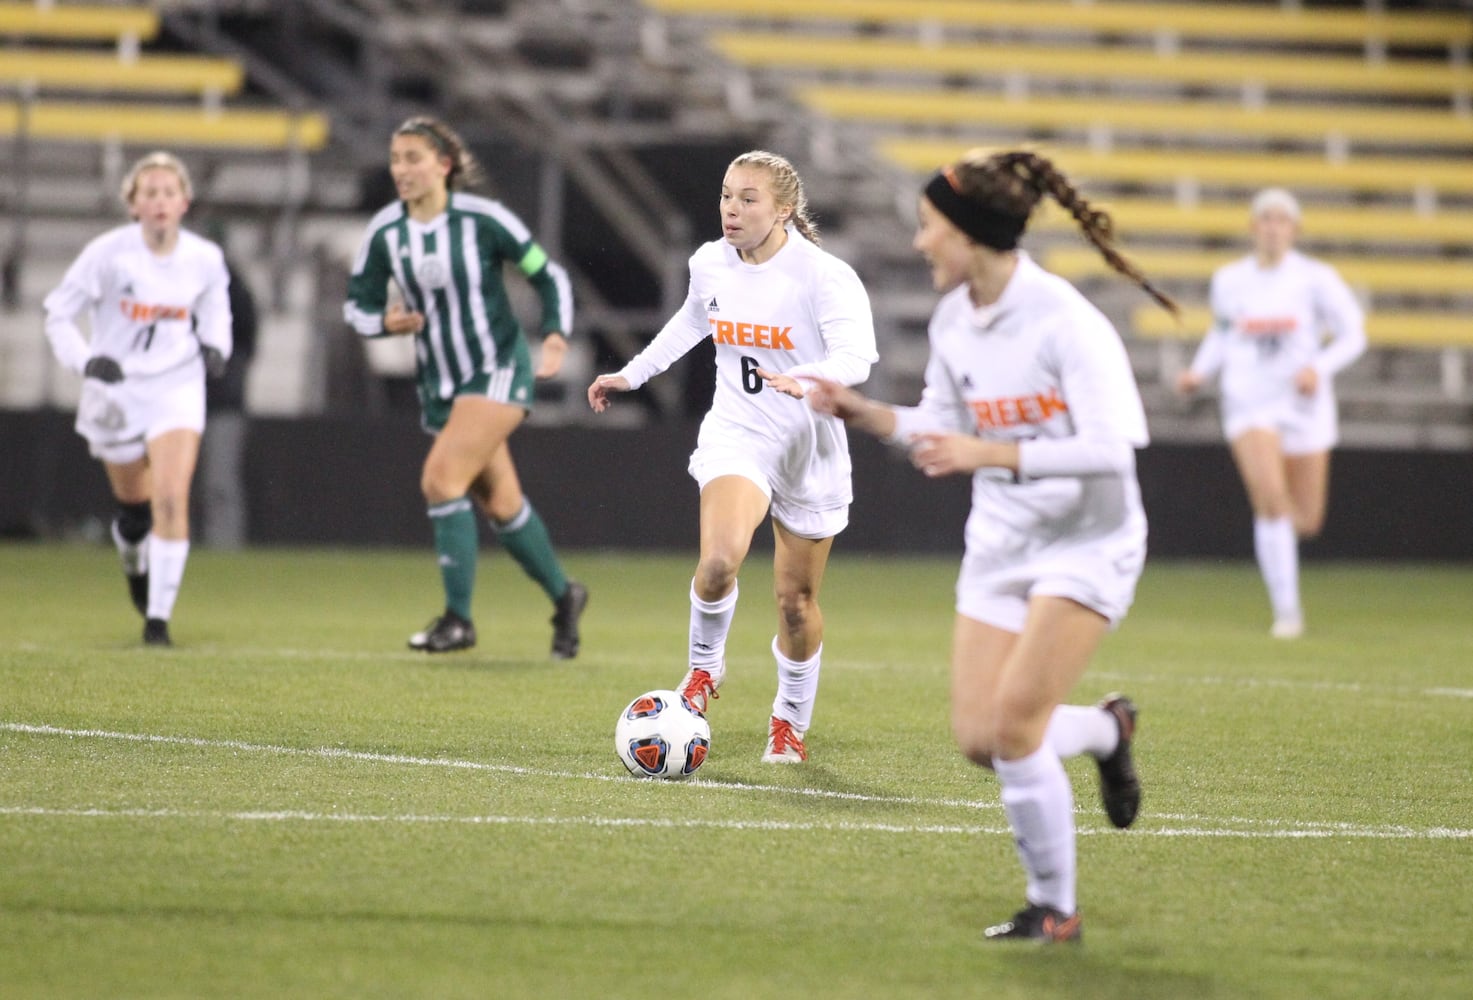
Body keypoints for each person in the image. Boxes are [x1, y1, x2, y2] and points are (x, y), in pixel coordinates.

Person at [807, 150, 1175, 942]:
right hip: (1003, 545)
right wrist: (865, 413)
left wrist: (991, 454)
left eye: (928, 227)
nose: (917, 243)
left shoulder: (1065, 321)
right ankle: (1108, 731)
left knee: (1015, 731)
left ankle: (1055, 909)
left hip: (1086, 543)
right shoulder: (954, 320)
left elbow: (1113, 447)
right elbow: (941, 427)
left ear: (971, 236)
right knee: (982, 740)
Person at [587, 149, 878, 763]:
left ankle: (788, 721)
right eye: (726, 195)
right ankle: (702, 671)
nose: (732, 209)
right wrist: (632, 375)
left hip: (808, 447)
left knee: (795, 605)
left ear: (784, 211)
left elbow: (858, 357)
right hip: (739, 433)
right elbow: (691, 322)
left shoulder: (823, 276)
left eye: (749, 199)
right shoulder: (710, 262)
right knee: (719, 560)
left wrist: (810, 378)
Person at [343, 115, 588, 657]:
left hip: (497, 367)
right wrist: (386, 322)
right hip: (441, 383)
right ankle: (565, 594)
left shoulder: (483, 219)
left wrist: (553, 337)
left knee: (440, 479)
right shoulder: (386, 232)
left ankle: (458, 621)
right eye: (395, 158)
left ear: (444, 166)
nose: (401, 169)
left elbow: (547, 274)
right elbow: (356, 306)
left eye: (413, 158)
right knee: (502, 503)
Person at [42, 150, 233, 647]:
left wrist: (216, 348)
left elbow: (217, 310)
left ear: (185, 201)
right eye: (150, 192)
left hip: (176, 384)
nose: (160, 201)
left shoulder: (204, 258)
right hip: (117, 390)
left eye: (169, 191)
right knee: (135, 509)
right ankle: (133, 561)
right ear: (133, 203)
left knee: (171, 496)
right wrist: (86, 361)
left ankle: (158, 622)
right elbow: (58, 314)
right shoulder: (107, 253)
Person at [1175, 188, 1366, 639]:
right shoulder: (1229, 280)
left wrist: (1317, 367)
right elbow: (1222, 334)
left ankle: (1278, 559)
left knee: (1306, 518)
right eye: (1265, 220)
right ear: (1253, 227)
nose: (1272, 228)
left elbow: (1353, 335)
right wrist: (1199, 373)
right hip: (1248, 402)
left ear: (1294, 230)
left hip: (1302, 405)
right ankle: (1288, 611)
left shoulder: (1316, 279)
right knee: (1271, 500)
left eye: (1281, 221)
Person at [199, 251, 258, 549]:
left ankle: (223, 547)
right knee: (171, 483)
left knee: (219, 483)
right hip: (181, 405)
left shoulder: (236, 295)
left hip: (223, 404)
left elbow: (247, 343)